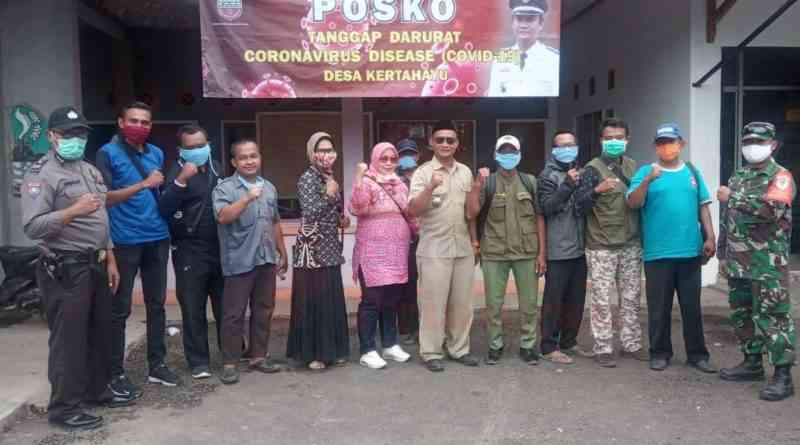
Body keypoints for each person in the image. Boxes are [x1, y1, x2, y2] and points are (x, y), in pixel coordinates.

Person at [22, 107, 135, 431]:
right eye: (68, 134)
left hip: (95, 263)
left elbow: (100, 218)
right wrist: (72, 211)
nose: (76, 139)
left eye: (81, 134)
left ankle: (96, 391)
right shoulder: (41, 175)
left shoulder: (88, 170)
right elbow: (32, 227)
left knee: (99, 333)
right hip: (65, 268)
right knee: (69, 341)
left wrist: (110, 257)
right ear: (51, 136)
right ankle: (64, 408)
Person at [96, 101, 177, 397]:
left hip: (158, 237)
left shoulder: (156, 153)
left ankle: (157, 365)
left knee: (157, 305)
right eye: (133, 120)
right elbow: (104, 198)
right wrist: (143, 184)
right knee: (120, 310)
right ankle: (115, 373)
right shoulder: (107, 153)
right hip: (125, 240)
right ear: (121, 122)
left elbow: (160, 191)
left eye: (145, 122)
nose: (139, 126)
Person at [626, 123, 716, 373]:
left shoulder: (692, 172)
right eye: (661, 143)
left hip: (690, 252)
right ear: (655, 147)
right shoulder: (646, 171)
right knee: (659, 308)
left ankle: (697, 355)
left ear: (681, 144)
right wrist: (647, 180)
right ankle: (659, 352)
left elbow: (703, 206)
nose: (666, 147)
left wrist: (710, 237)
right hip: (657, 253)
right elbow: (633, 203)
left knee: (691, 308)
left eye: (671, 142)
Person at [718, 122, 796, 401]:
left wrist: (733, 197)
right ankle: (751, 362)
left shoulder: (780, 176)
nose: (753, 147)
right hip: (738, 260)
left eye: (759, 142)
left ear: (773, 145)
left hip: (767, 262)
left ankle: (783, 375)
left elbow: (772, 209)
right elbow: (729, 217)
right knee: (742, 312)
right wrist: (722, 252)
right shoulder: (739, 175)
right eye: (748, 142)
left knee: (773, 316)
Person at [213, 139, 287, 384]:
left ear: (260, 158)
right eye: (243, 157)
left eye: (253, 156)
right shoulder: (224, 189)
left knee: (264, 309)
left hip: (266, 258)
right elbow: (223, 217)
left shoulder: (269, 187)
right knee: (233, 314)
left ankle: (258, 356)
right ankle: (230, 363)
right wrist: (246, 198)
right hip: (239, 260)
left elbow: (274, 221)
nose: (249, 161)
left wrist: (281, 251)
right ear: (234, 162)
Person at [466, 135, 545, 365]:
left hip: (526, 252)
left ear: (519, 155)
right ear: (496, 155)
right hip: (494, 252)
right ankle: (495, 345)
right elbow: (471, 214)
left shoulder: (530, 181)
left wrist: (542, 253)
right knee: (493, 304)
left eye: (512, 152)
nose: (508, 156)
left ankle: (528, 345)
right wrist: (476, 185)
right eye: (504, 151)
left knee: (529, 304)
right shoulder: (487, 182)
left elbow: (539, 218)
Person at [574, 118, 646, 368]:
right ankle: (603, 347)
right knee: (601, 300)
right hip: (601, 245)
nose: (614, 142)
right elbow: (579, 206)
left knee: (631, 297)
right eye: (609, 138)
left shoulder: (634, 166)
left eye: (619, 138)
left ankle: (631, 343)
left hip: (630, 243)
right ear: (601, 141)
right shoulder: (591, 170)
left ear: (627, 140)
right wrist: (597, 190)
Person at [408, 120, 479, 372]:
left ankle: (459, 348)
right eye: (440, 140)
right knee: (433, 305)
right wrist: (430, 187)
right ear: (431, 143)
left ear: (457, 143)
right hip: (434, 249)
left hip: (462, 247)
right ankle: (431, 352)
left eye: (450, 140)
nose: (445, 144)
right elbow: (413, 210)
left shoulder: (465, 172)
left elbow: (471, 214)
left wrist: (474, 242)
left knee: (462, 305)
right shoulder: (422, 173)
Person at [158, 125, 224, 380]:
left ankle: (231, 353)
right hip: (189, 249)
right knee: (193, 307)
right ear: (181, 150)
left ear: (209, 144)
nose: (198, 150)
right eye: (191, 147)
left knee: (225, 304)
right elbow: (164, 209)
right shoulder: (176, 172)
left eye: (201, 145)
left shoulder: (216, 167)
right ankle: (199, 362)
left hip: (219, 247)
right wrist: (181, 180)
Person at [349, 142, 417, 369]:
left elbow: (410, 214)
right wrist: (358, 178)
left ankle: (389, 344)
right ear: (374, 159)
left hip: (397, 252)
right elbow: (357, 207)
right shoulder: (367, 181)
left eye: (392, 159)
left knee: (391, 299)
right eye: (383, 158)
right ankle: (367, 349)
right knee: (372, 300)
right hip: (372, 252)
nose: (388, 163)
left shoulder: (400, 185)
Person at [287, 132, 351, 370]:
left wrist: (341, 220)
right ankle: (313, 353)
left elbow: (330, 211)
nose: (327, 155)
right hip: (312, 250)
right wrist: (330, 193)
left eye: (330, 150)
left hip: (330, 247)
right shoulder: (307, 178)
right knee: (315, 300)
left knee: (330, 298)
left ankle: (333, 351)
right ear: (312, 153)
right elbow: (310, 212)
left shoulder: (328, 177)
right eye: (321, 150)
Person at [537, 130, 591, 365]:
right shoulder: (547, 176)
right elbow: (547, 207)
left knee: (576, 300)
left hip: (579, 248)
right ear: (554, 150)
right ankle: (549, 346)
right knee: (554, 301)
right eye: (562, 146)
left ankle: (569, 341)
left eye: (571, 145)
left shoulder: (580, 171)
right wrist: (567, 185)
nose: (567, 149)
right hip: (558, 249)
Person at [487, 0, 559, 97]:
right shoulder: (500, 59)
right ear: (512, 23)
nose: (523, 25)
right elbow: (493, 97)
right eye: (519, 19)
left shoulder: (553, 60)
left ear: (541, 24)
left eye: (530, 19)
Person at [395, 139, 421, 345]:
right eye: (403, 154)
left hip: (426, 239)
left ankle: (427, 329)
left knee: (428, 287)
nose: (407, 158)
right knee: (406, 286)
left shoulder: (425, 177)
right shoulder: (393, 182)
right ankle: (407, 328)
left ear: (417, 156)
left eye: (410, 154)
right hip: (403, 242)